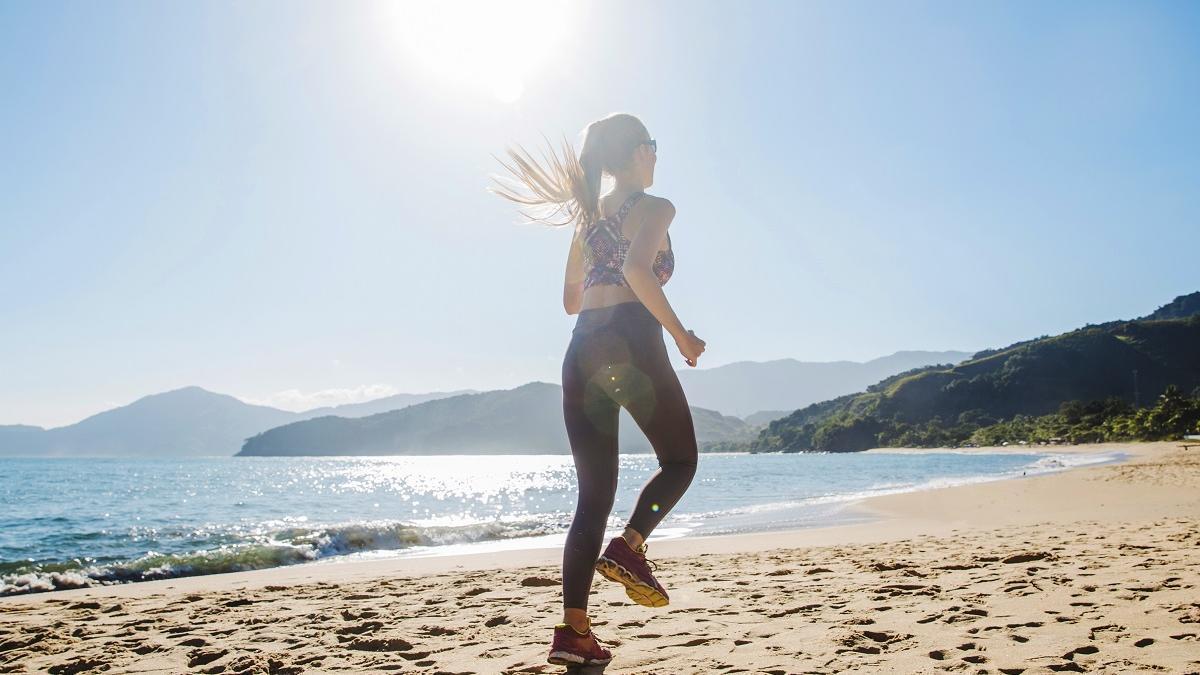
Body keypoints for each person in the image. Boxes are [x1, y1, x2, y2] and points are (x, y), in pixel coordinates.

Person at [492, 112, 706, 667]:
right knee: (680, 460)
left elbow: (569, 299)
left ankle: (574, 633)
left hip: (582, 349)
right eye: (653, 146)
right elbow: (639, 270)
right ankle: (630, 547)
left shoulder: (586, 220)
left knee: (592, 498)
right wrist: (681, 334)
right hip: (632, 342)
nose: (657, 155)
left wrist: (601, 275)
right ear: (637, 152)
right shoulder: (655, 208)